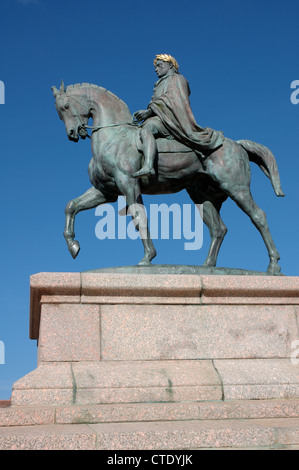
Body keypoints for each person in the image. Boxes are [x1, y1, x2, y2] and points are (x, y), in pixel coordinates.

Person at [132, 53, 224, 179]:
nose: (156, 69)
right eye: (156, 67)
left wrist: (149, 111)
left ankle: (148, 165)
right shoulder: (159, 83)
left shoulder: (177, 79)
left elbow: (172, 101)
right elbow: (159, 102)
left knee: (146, 129)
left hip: (170, 120)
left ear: (170, 65)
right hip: (160, 117)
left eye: (160, 65)